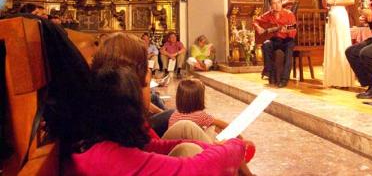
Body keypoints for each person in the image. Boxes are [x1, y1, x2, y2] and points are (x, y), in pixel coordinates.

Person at [65, 66, 248, 176]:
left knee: (189, 143)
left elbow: (151, 145)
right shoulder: (109, 158)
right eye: (146, 85)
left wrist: (213, 148)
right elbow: (192, 169)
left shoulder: (100, 143)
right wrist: (233, 146)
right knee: (193, 152)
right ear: (129, 100)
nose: (151, 91)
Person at [91, 33, 172, 137]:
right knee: (178, 119)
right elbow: (142, 114)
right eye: (144, 62)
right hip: (131, 135)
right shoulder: (122, 84)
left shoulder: (104, 77)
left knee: (159, 101)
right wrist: (145, 82)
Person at [167, 79, 255, 176]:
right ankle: (245, 172)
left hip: (181, 152)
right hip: (197, 153)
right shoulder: (200, 115)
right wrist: (239, 136)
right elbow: (223, 124)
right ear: (199, 99)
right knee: (213, 128)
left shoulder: (174, 115)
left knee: (211, 128)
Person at [321, 0, 355, 88]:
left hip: (340, 17)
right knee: (333, 47)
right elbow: (324, 5)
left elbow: (351, 0)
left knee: (340, 46)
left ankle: (343, 80)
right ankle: (334, 79)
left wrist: (334, 1)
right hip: (331, 18)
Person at [253, 0, 297, 88]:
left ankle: (284, 79)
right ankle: (268, 70)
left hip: (287, 40)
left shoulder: (289, 14)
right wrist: (258, 28)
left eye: (278, 2)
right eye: (274, 3)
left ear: (281, 3)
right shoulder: (268, 15)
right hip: (276, 40)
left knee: (289, 51)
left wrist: (287, 30)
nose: (277, 5)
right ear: (271, 5)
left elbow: (294, 28)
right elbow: (255, 21)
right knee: (266, 44)